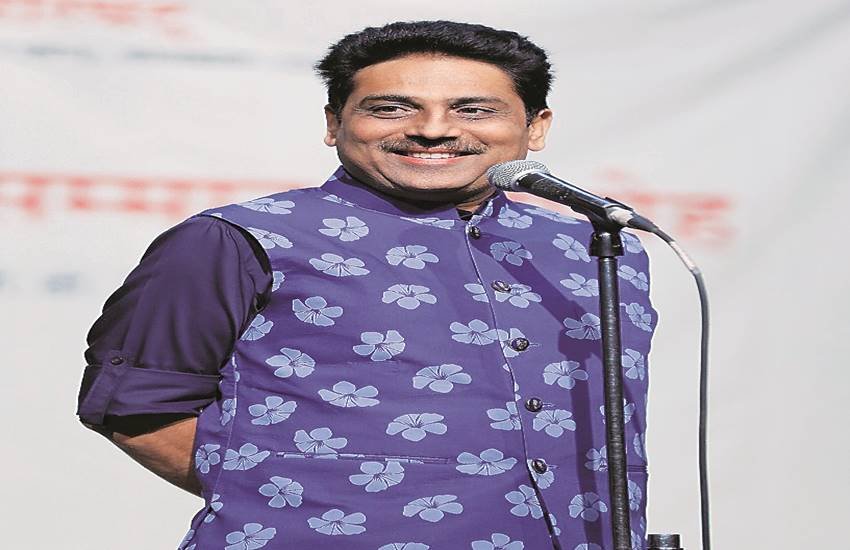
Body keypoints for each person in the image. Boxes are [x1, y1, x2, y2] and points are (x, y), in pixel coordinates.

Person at [77, 20, 656, 550]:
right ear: (334, 123)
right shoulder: (235, 239)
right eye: (391, 109)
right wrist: (288, 496)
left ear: (536, 127)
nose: (433, 130)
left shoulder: (600, 247)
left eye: (474, 110)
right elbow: (137, 408)